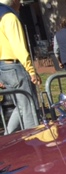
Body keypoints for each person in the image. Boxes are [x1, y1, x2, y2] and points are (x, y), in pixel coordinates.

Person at [0, 0, 40, 133]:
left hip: (4, 67)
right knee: (29, 107)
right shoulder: (10, 17)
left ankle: (7, 137)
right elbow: (19, 47)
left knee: (21, 106)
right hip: (15, 66)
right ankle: (33, 139)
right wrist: (31, 70)